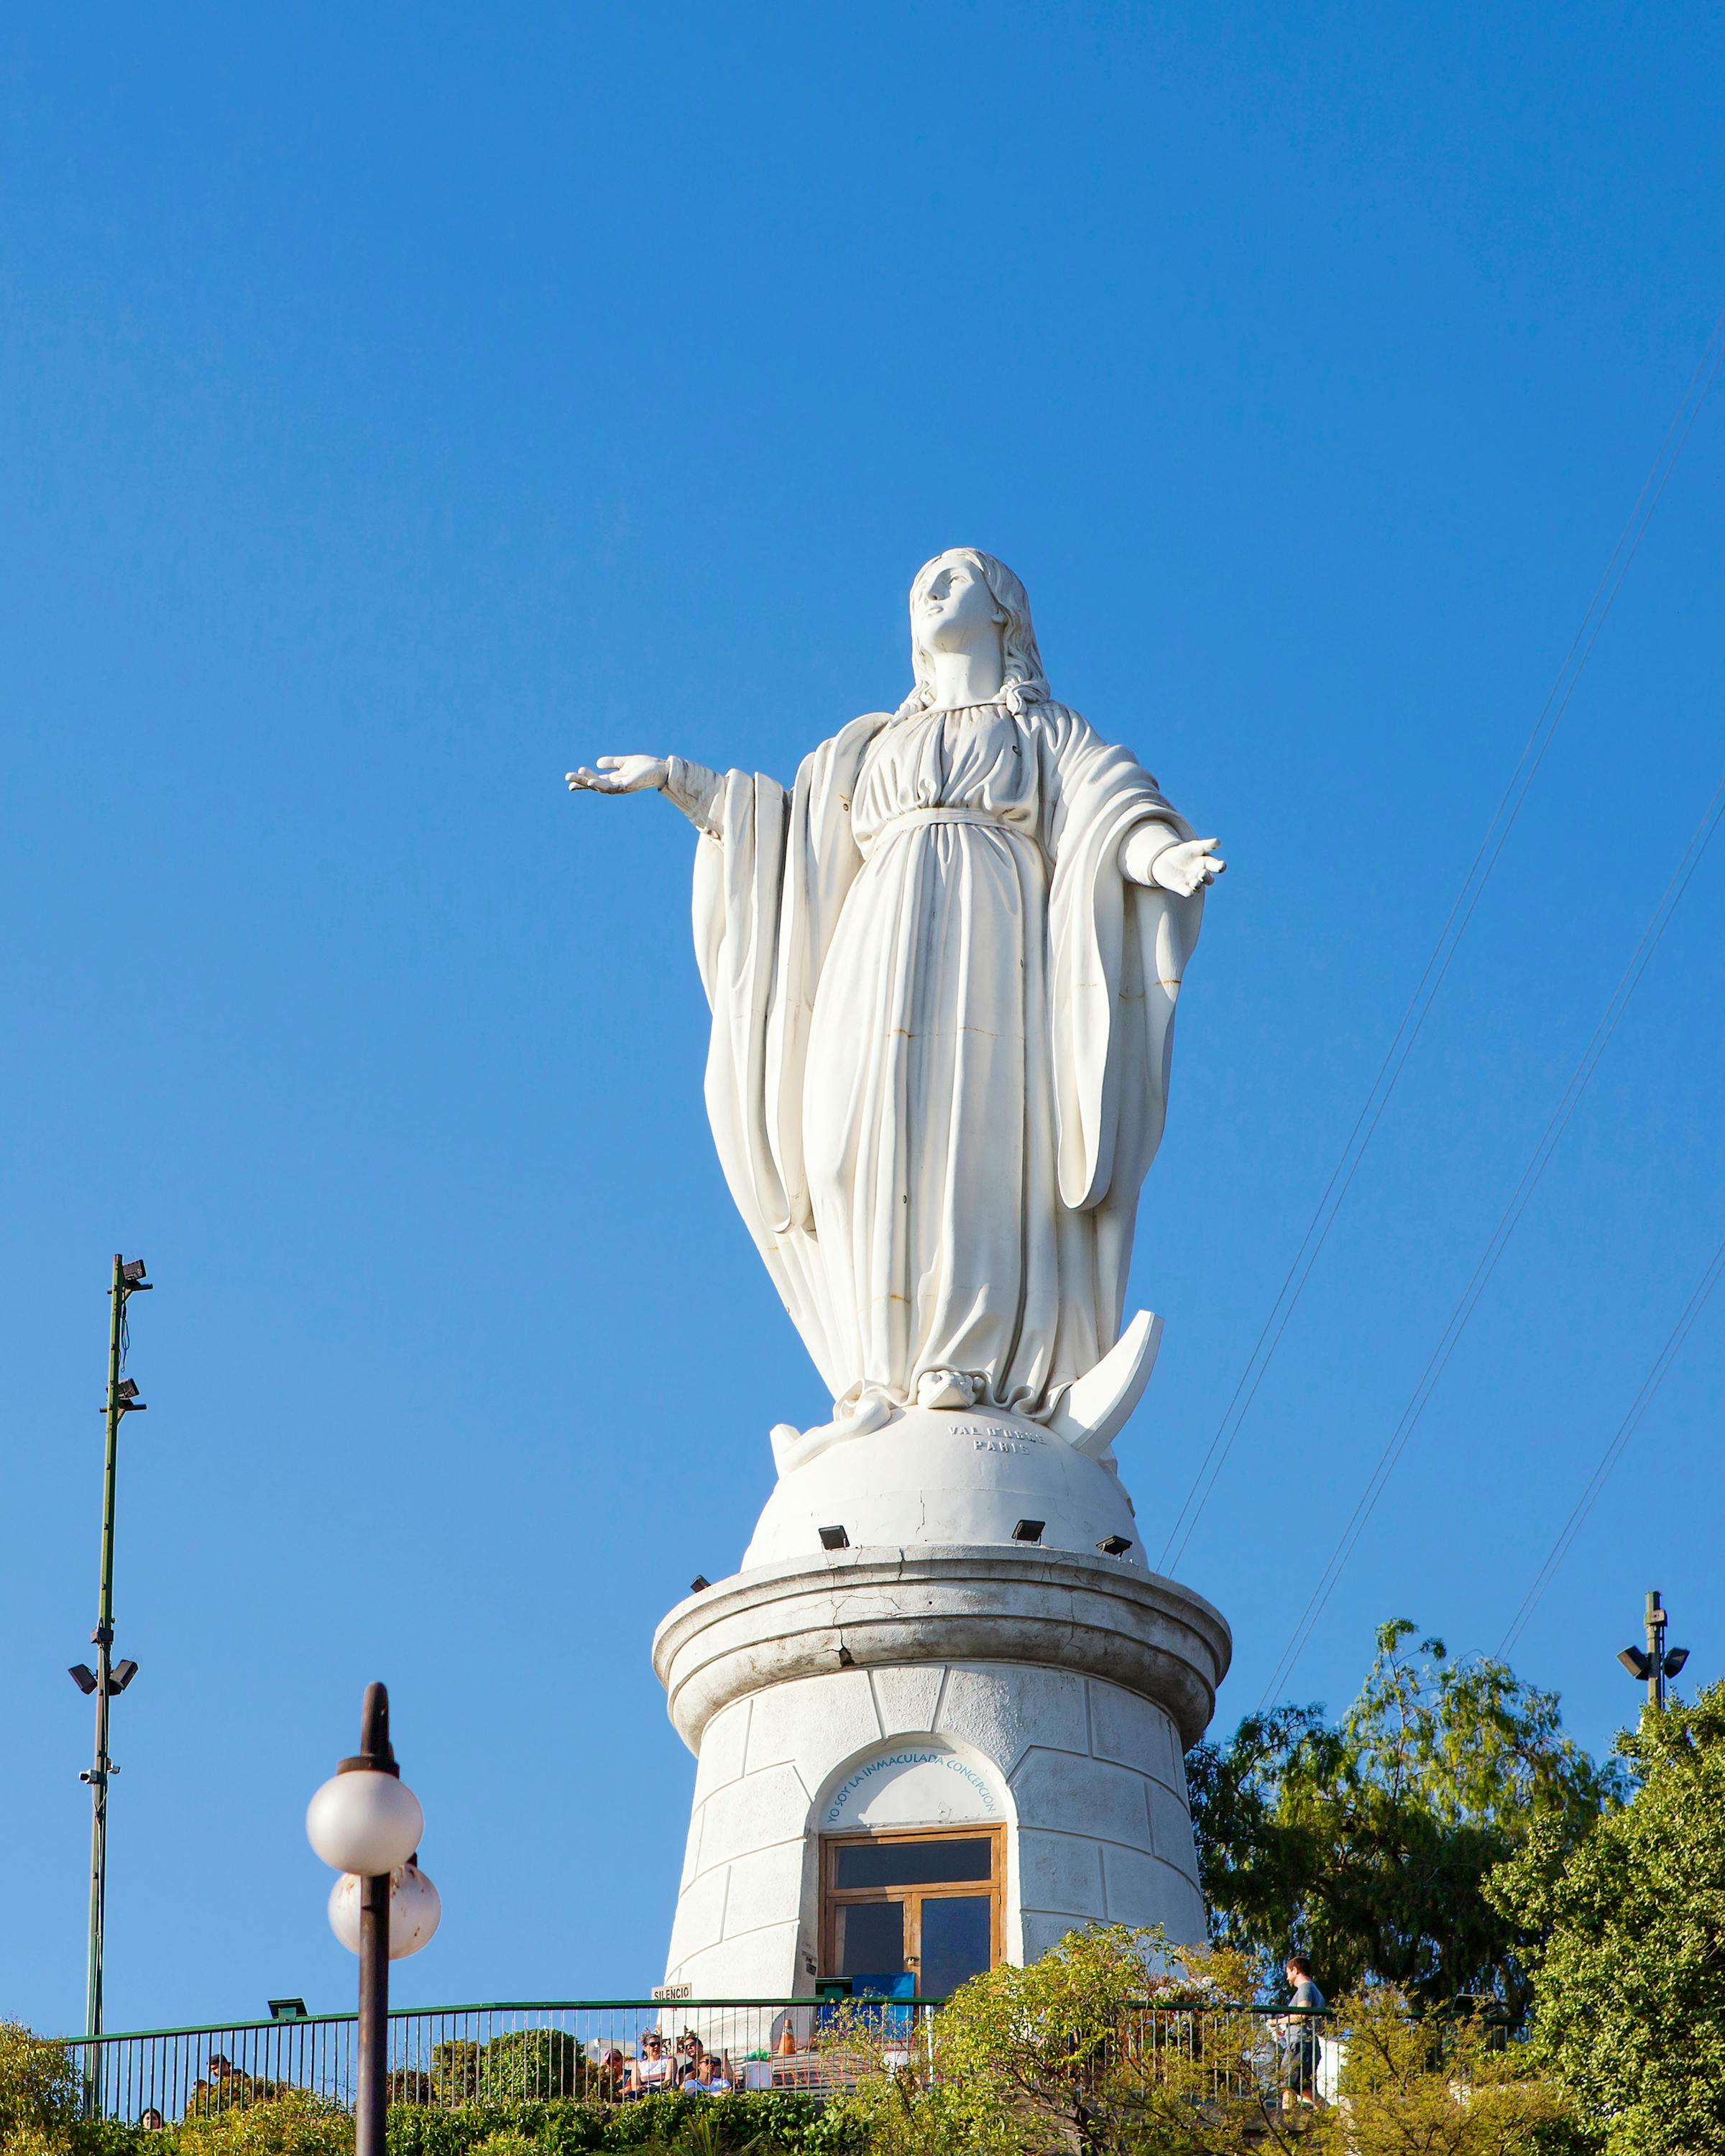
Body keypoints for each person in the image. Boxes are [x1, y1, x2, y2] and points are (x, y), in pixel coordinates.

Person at [568, 549, 1223, 1439]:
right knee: (846, 1142)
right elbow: (792, 837)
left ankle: (969, 1362)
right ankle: (875, 1376)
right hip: (873, 938)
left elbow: (1112, 808)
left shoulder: (1045, 732)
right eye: (920, 585)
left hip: (992, 941)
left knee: (973, 1146)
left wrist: (1163, 858)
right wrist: (683, 782)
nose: (930, 591)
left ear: (1006, 612)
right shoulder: (871, 743)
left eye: (954, 576)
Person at [1280, 1955, 1327, 2106]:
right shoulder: (1317, 1991)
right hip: (1310, 2044)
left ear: (1295, 1970)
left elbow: (1302, 2014)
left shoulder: (1305, 1987)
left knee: (1288, 2085)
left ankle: (1286, 2124)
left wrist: (1276, 2022)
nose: (1287, 1977)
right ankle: (1335, 2116)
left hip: (1299, 2044)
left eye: (1288, 1972)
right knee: (1306, 2089)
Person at [625, 2030, 674, 2098]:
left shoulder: (669, 2060)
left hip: (663, 2093)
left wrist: (654, 2088)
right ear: (645, 2048)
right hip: (644, 2095)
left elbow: (668, 2081)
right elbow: (635, 2085)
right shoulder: (638, 2064)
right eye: (652, 2045)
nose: (656, 2046)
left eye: (659, 2044)